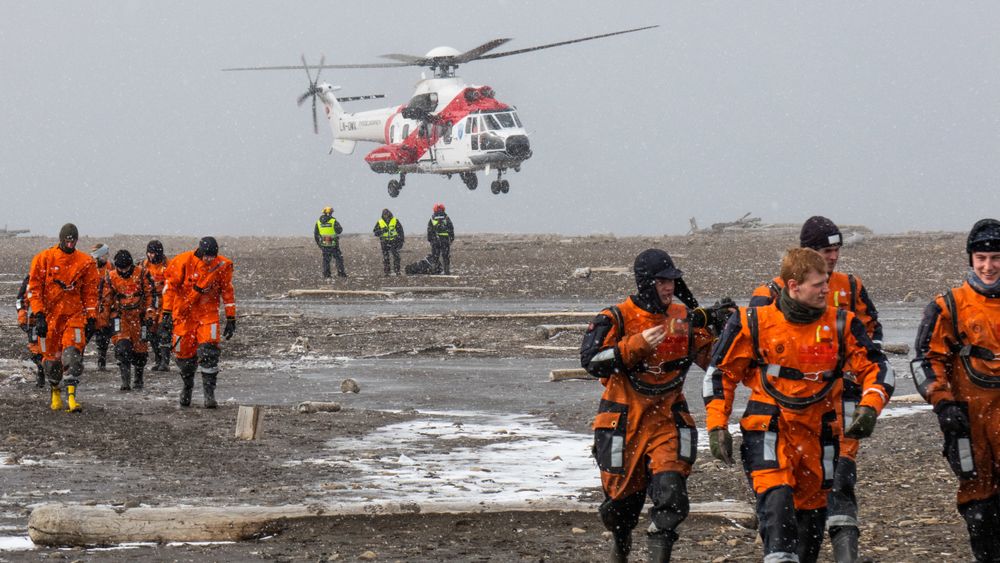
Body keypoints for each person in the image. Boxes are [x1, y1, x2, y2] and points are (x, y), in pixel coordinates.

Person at [704, 247, 894, 563]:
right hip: (768, 428)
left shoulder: (842, 325)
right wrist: (716, 425)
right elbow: (720, 375)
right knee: (778, 512)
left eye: (827, 283)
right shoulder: (753, 321)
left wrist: (870, 406)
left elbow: (878, 368)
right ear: (794, 286)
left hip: (820, 435)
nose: (826, 290)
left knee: (810, 528)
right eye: (818, 284)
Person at [579, 249, 734, 562]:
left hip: (667, 421)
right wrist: (636, 346)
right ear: (646, 283)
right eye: (663, 281)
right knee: (621, 506)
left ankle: (659, 548)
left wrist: (728, 328)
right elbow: (591, 361)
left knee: (671, 495)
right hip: (623, 422)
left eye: (673, 281)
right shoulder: (616, 318)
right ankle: (620, 543)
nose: (669, 287)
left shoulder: (685, 319)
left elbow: (720, 363)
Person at [748, 216, 883, 562]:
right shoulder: (769, 294)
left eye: (837, 250)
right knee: (783, 494)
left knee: (841, 476)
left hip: (842, 401)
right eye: (826, 250)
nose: (834, 257)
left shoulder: (850, 287)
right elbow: (757, 347)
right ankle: (781, 542)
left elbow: (871, 339)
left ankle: (842, 552)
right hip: (784, 410)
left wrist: (856, 378)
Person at [913, 218, 1000, 562]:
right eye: (981, 258)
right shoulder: (948, 305)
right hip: (968, 421)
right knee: (979, 509)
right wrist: (942, 403)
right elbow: (925, 359)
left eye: (995, 258)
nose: (988, 266)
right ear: (970, 260)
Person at [27, 223, 100, 412]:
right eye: (67, 240)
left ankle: (72, 397)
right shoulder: (44, 259)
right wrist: (39, 315)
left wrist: (92, 316)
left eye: (73, 240)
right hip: (50, 316)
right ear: (61, 239)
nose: (70, 243)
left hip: (74, 315)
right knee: (51, 360)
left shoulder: (85, 262)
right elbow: (34, 290)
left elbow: (90, 292)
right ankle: (55, 392)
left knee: (72, 354)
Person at [161, 236, 236, 408]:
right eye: (207, 256)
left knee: (209, 351)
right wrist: (166, 312)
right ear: (200, 251)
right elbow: (170, 287)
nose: (209, 259)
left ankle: (209, 395)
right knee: (184, 356)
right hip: (183, 315)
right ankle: (187, 386)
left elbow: (227, 291)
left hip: (207, 314)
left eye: (212, 256)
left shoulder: (223, 265)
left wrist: (231, 316)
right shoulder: (182, 262)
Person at [102, 250, 155, 391]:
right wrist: (103, 322)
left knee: (141, 352)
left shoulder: (142, 273)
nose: (124, 271)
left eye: (126, 268)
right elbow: (106, 300)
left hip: (140, 317)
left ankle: (138, 378)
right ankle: (125, 381)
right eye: (121, 269)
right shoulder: (110, 277)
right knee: (122, 348)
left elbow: (151, 295)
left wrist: (150, 315)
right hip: (121, 317)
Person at [140, 240, 171, 371]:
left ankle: (165, 362)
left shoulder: (168, 265)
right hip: (150, 302)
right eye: (149, 253)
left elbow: (172, 285)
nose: (150, 256)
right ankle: (158, 359)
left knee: (163, 331)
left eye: (153, 253)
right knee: (151, 331)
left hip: (165, 302)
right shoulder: (143, 265)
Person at [15, 275, 45, 387]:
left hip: (54, 320)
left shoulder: (59, 275)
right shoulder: (31, 278)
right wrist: (23, 319)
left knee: (55, 351)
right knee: (36, 351)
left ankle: (52, 373)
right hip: (34, 321)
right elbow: (21, 300)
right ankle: (41, 370)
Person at [91, 243, 114, 371]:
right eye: (105, 254)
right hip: (91, 307)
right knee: (85, 336)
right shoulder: (88, 268)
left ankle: (102, 361)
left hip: (105, 306)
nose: (107, 257)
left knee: (103, 337)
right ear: (99, 256)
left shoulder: (111, 268)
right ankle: (78, 361)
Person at [314, 206, 346, 278]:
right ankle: (341, 273)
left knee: (326, 259)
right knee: (338, 258)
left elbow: (316, 234)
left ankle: (326, 274)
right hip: (333, 243)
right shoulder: (333, 221)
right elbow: (339, 230)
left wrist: (319, 244)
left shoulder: (318, 222)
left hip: (324, 244)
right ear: (331, 213)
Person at [373, 208, 405, 276]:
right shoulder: (380, 222)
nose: (386, 216)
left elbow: (400, 231)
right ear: (382, 215)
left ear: (389, 214)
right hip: (384, 242)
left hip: (394, 241)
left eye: (386, 214)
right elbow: (375, 233)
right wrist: (382, 231)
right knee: (386, 257)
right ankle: (387, 272)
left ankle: (397, 271)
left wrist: (401, 240)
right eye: (384, 214)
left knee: (396, 256)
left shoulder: (395, 221)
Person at [427, 203, 454, 275]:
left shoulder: (432, 219)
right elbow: (451, 228)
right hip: (445, 240)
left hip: (435, 241)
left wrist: (430, 240)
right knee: (445, 256)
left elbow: (429, 230)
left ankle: (434, 270)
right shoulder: (446, 218)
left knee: (435, 256)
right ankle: (446, 271)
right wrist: (451, 238)